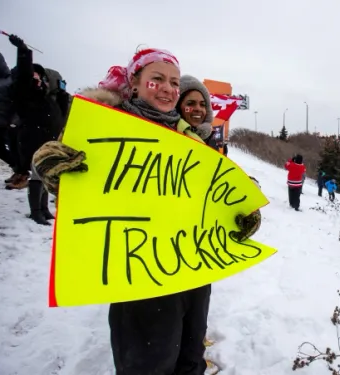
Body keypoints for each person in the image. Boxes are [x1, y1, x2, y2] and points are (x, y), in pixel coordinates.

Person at [33, 46, 262, 375]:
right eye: (157, 79)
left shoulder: (189, 137)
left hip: (193, 269)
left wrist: (243, 207)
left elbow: (210, 188)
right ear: (135, 83)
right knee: (148, 364)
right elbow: (75, 180)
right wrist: (52, 168)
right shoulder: (105, 128)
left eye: (173, 82)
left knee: (190, 356)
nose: (169, 88)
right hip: (139, 276)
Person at [8, 35, 68, 223]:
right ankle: (36, 211)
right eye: (34, 75)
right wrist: (23, 51)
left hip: (48, 140)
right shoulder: (24, 92)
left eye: (39, 76)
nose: (37, 78)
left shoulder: (46, 97)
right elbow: (25, 75)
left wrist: (62, 93)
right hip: (32, 139)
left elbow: (61, 113)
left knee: (44, 174)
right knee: (37, 175)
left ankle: (44, 209)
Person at [0, 50, 17, 180]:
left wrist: (13, 121)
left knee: (0, 149)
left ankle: (19, 170)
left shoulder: (10, 80)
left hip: (1, 123)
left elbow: (16, 102)